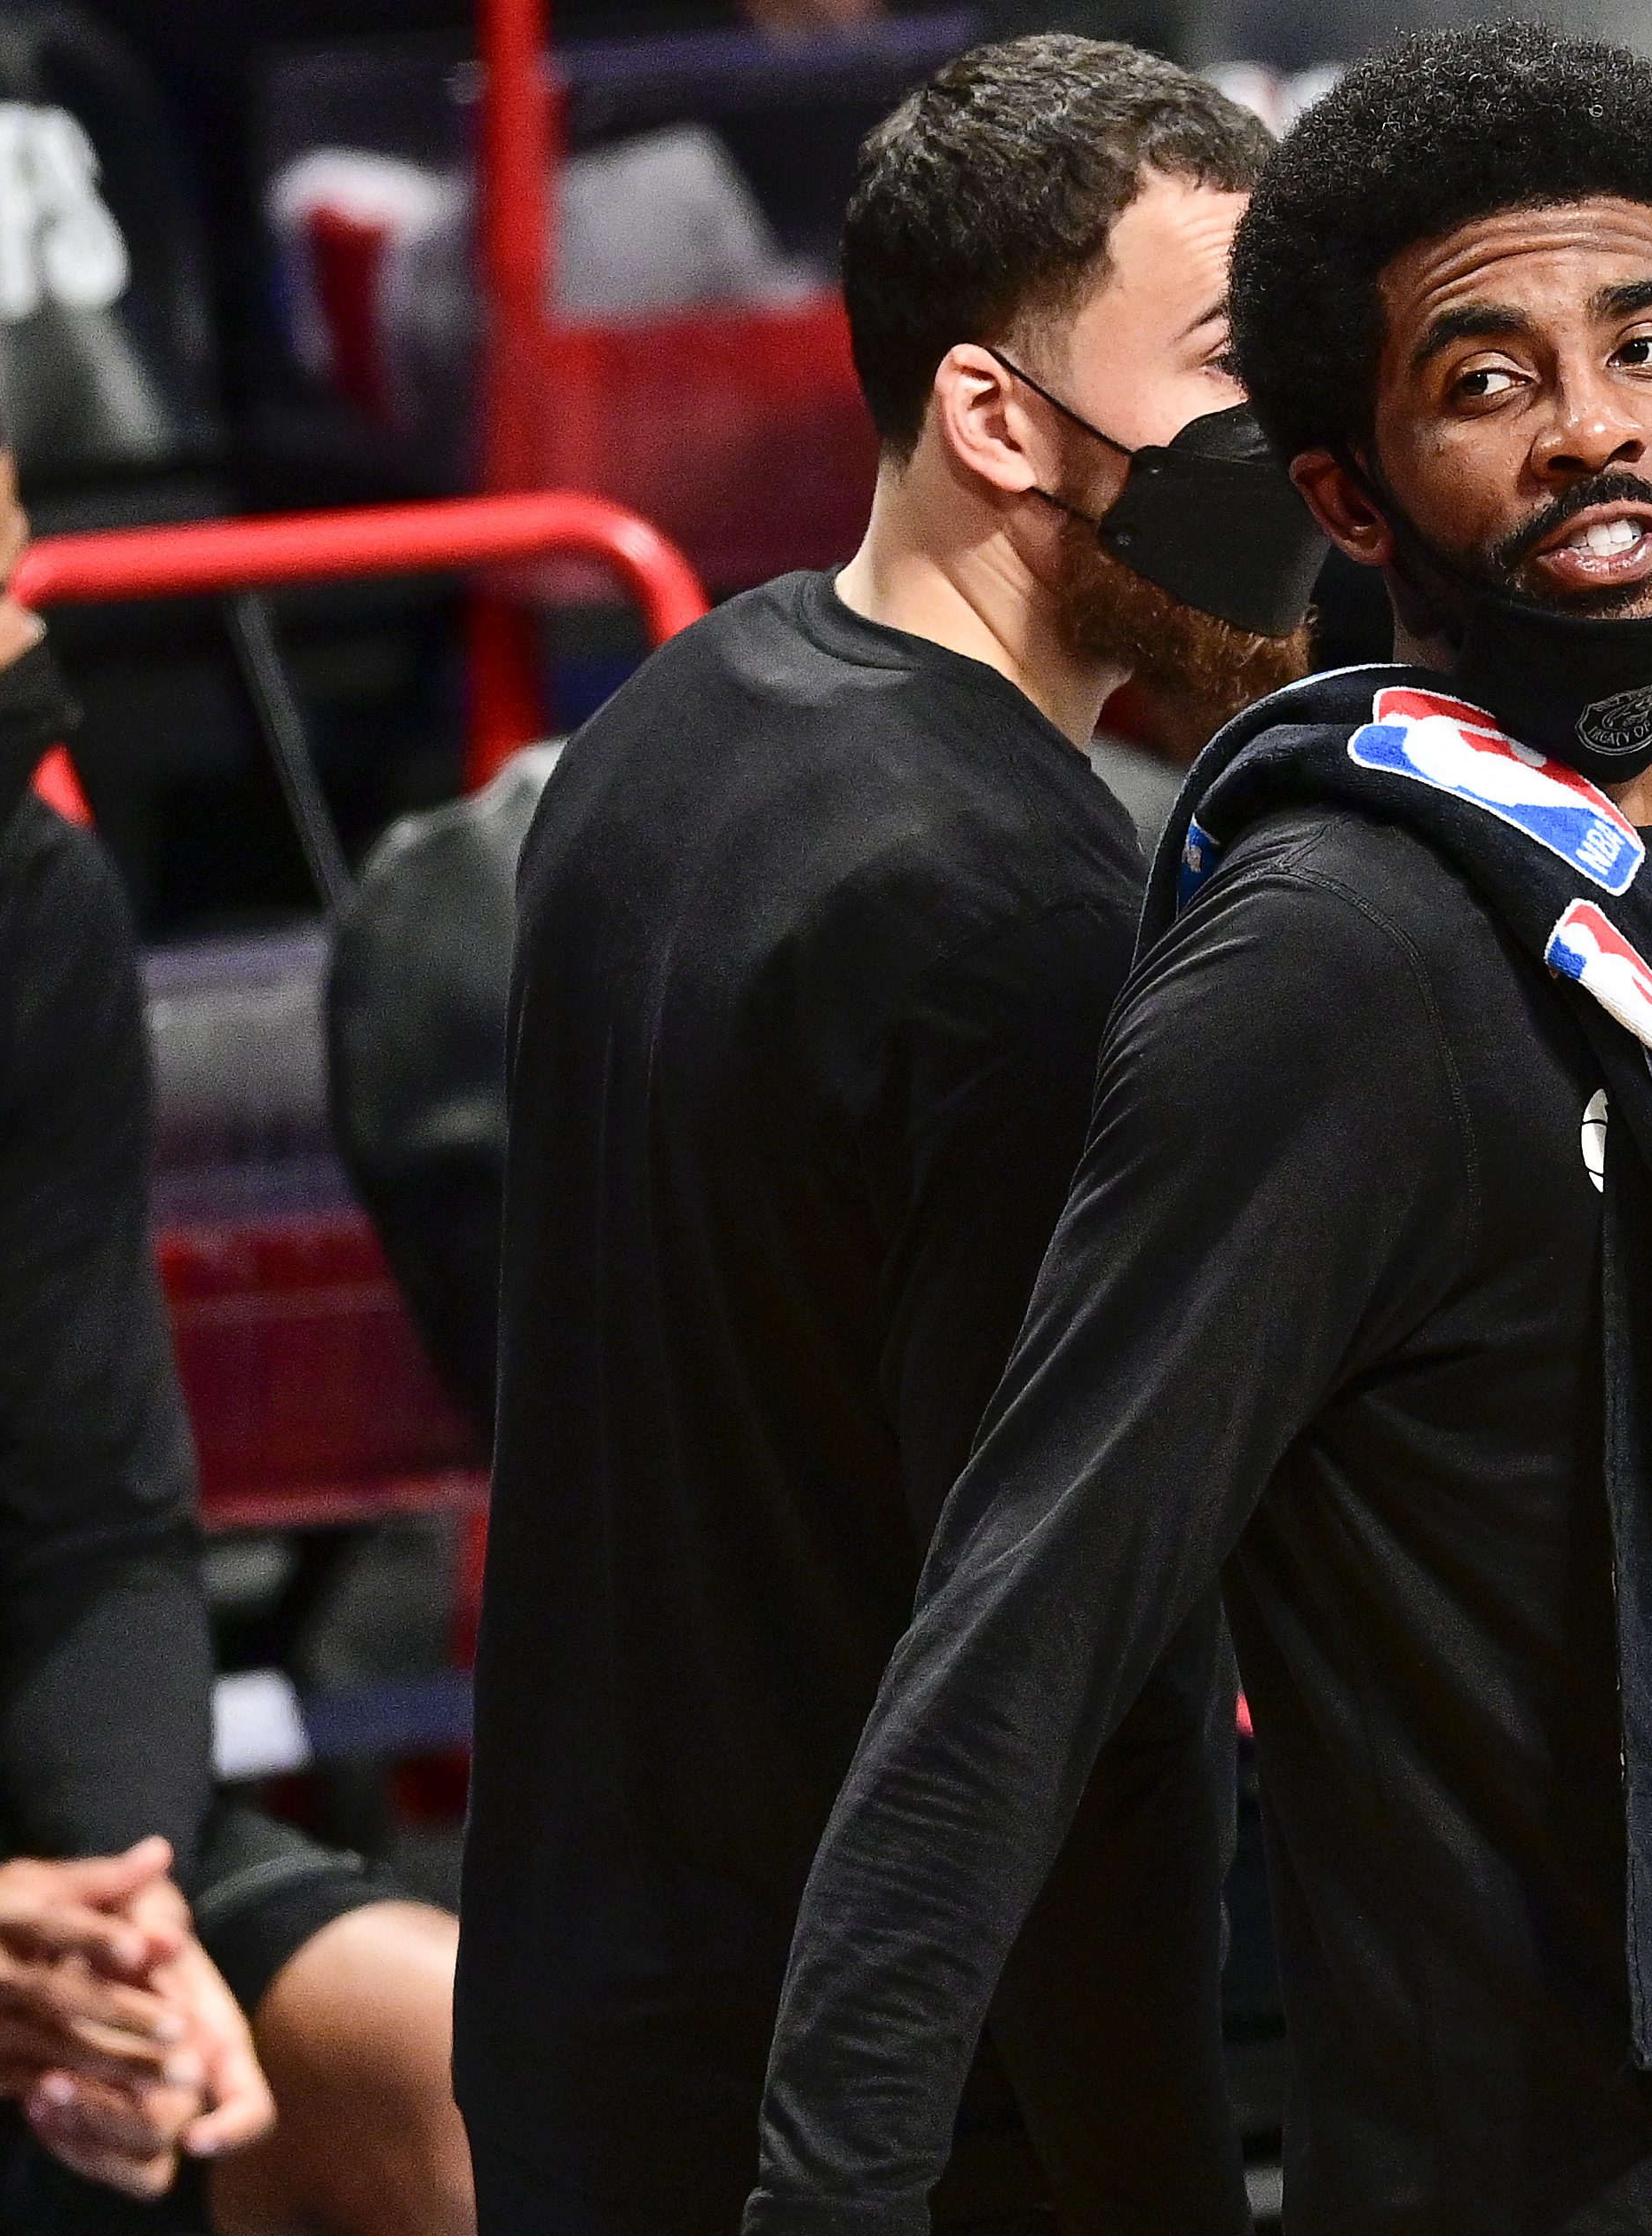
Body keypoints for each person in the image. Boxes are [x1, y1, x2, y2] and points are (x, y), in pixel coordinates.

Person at [749, 28, 1652, 2236]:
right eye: (1488, 378)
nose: (1594, 420)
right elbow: (1019, 1642)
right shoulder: (1332, 967)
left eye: (1647, 346)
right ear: (1347, 493)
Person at [461, 37, 1324, 2236]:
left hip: (590, 2030)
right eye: (1231, 372)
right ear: (994, 417)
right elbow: (1069, 1680)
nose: (1297, 462)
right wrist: (1159, 2178)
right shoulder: (1020, 919)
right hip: (903, 2119)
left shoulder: (672, 720)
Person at [0, 366, 470, 2236]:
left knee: (457, 2088)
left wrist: (123, 1919)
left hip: (7, 1840)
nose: (30, 660)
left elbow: (93, 1518)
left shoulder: (20, 906)